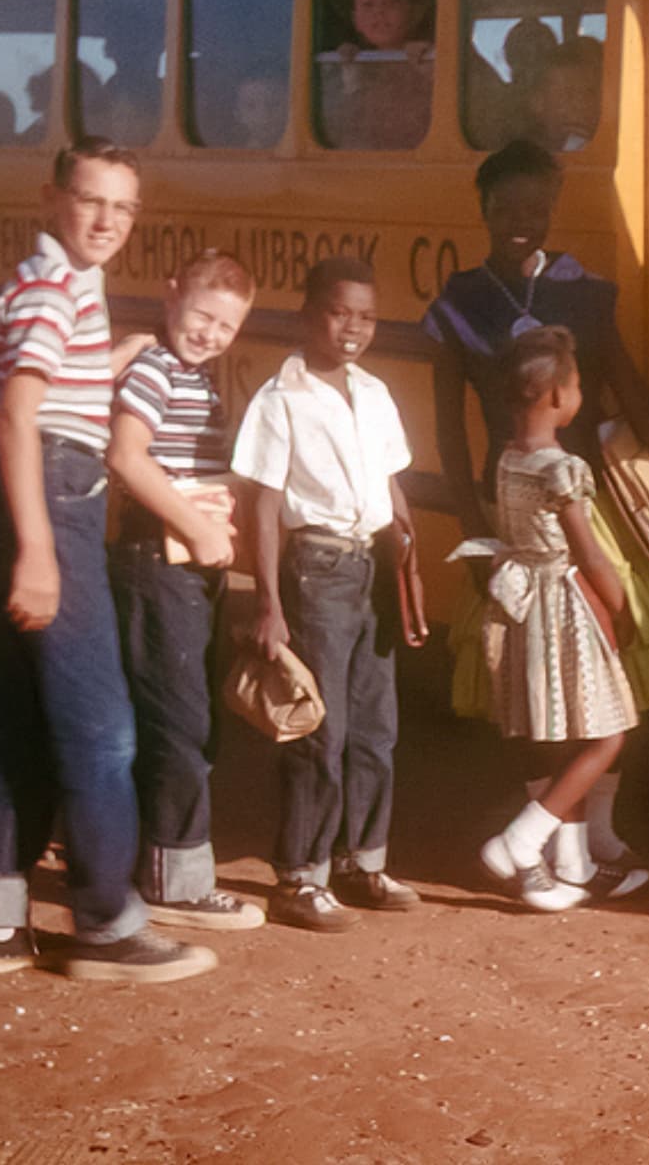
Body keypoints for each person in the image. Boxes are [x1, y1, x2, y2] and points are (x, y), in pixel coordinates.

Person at [424, 140, 649, 893]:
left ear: (553, 208)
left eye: (537, 207)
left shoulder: (583, 293)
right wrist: (472, 530)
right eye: (506, 208)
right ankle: (543, 847)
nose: (523, 221)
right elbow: (451, 433)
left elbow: (635, 396)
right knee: (531, 688)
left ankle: (593, 838)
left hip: (591, 511)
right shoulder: (461, 302)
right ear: (482, 209)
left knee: (611, 675)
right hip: (516, 519)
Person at [0, 137, 216, 983]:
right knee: (102, 726)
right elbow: (18, 418)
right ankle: (107, 923)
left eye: (123, 207)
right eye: (91, 200)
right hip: (47, 498)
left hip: (20, 488)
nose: (107, 219)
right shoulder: (54, 286)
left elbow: (37, 387)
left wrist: (115, 358)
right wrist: (38, 549)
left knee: (19, 712)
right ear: (49, 200)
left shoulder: (57, 288)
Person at [232, 257, 429, 931]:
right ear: (306, 315)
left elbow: (390, 483)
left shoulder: (374, 392)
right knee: (319, 726)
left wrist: (407, 557)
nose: (353, 328)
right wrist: (268, 603)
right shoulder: (279, 398)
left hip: (374, 567)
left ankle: (361, 861)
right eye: (339, 312)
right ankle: (299, 877)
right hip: (316, 571)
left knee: (376, 727)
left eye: (367, 316)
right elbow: (260, 504)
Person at [104, 249, 263, 932]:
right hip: (158, 557)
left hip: (191, 563)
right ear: (171, 296)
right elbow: (125, 455)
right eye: (202, 314)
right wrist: (196, 527)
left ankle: (148, 862)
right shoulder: (155, 370)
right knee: (180, 718)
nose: (210, 333)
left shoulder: (195, 378)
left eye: (227, 326)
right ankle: (179, 882)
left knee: (184, 712)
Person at [455, 326, 640, 910]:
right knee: (607, 733)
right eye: (578, 384)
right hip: (563, 603)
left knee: (559, 733)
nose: (580, 393)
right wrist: (619, 605)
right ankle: (520, 841)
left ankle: (573, 863)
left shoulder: (510, 458)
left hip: (520, 602)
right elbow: (587, 551)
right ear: (557, 397)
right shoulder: (563, 468)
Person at [319, 0, 433, 149]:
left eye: (393, 1)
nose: (379, 11)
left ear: (416, 11)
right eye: (368, 4)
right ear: (356, 19)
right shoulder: (348, 63)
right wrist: (350, 75)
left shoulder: (432, 56)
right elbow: (340, 129)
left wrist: (431, 70)